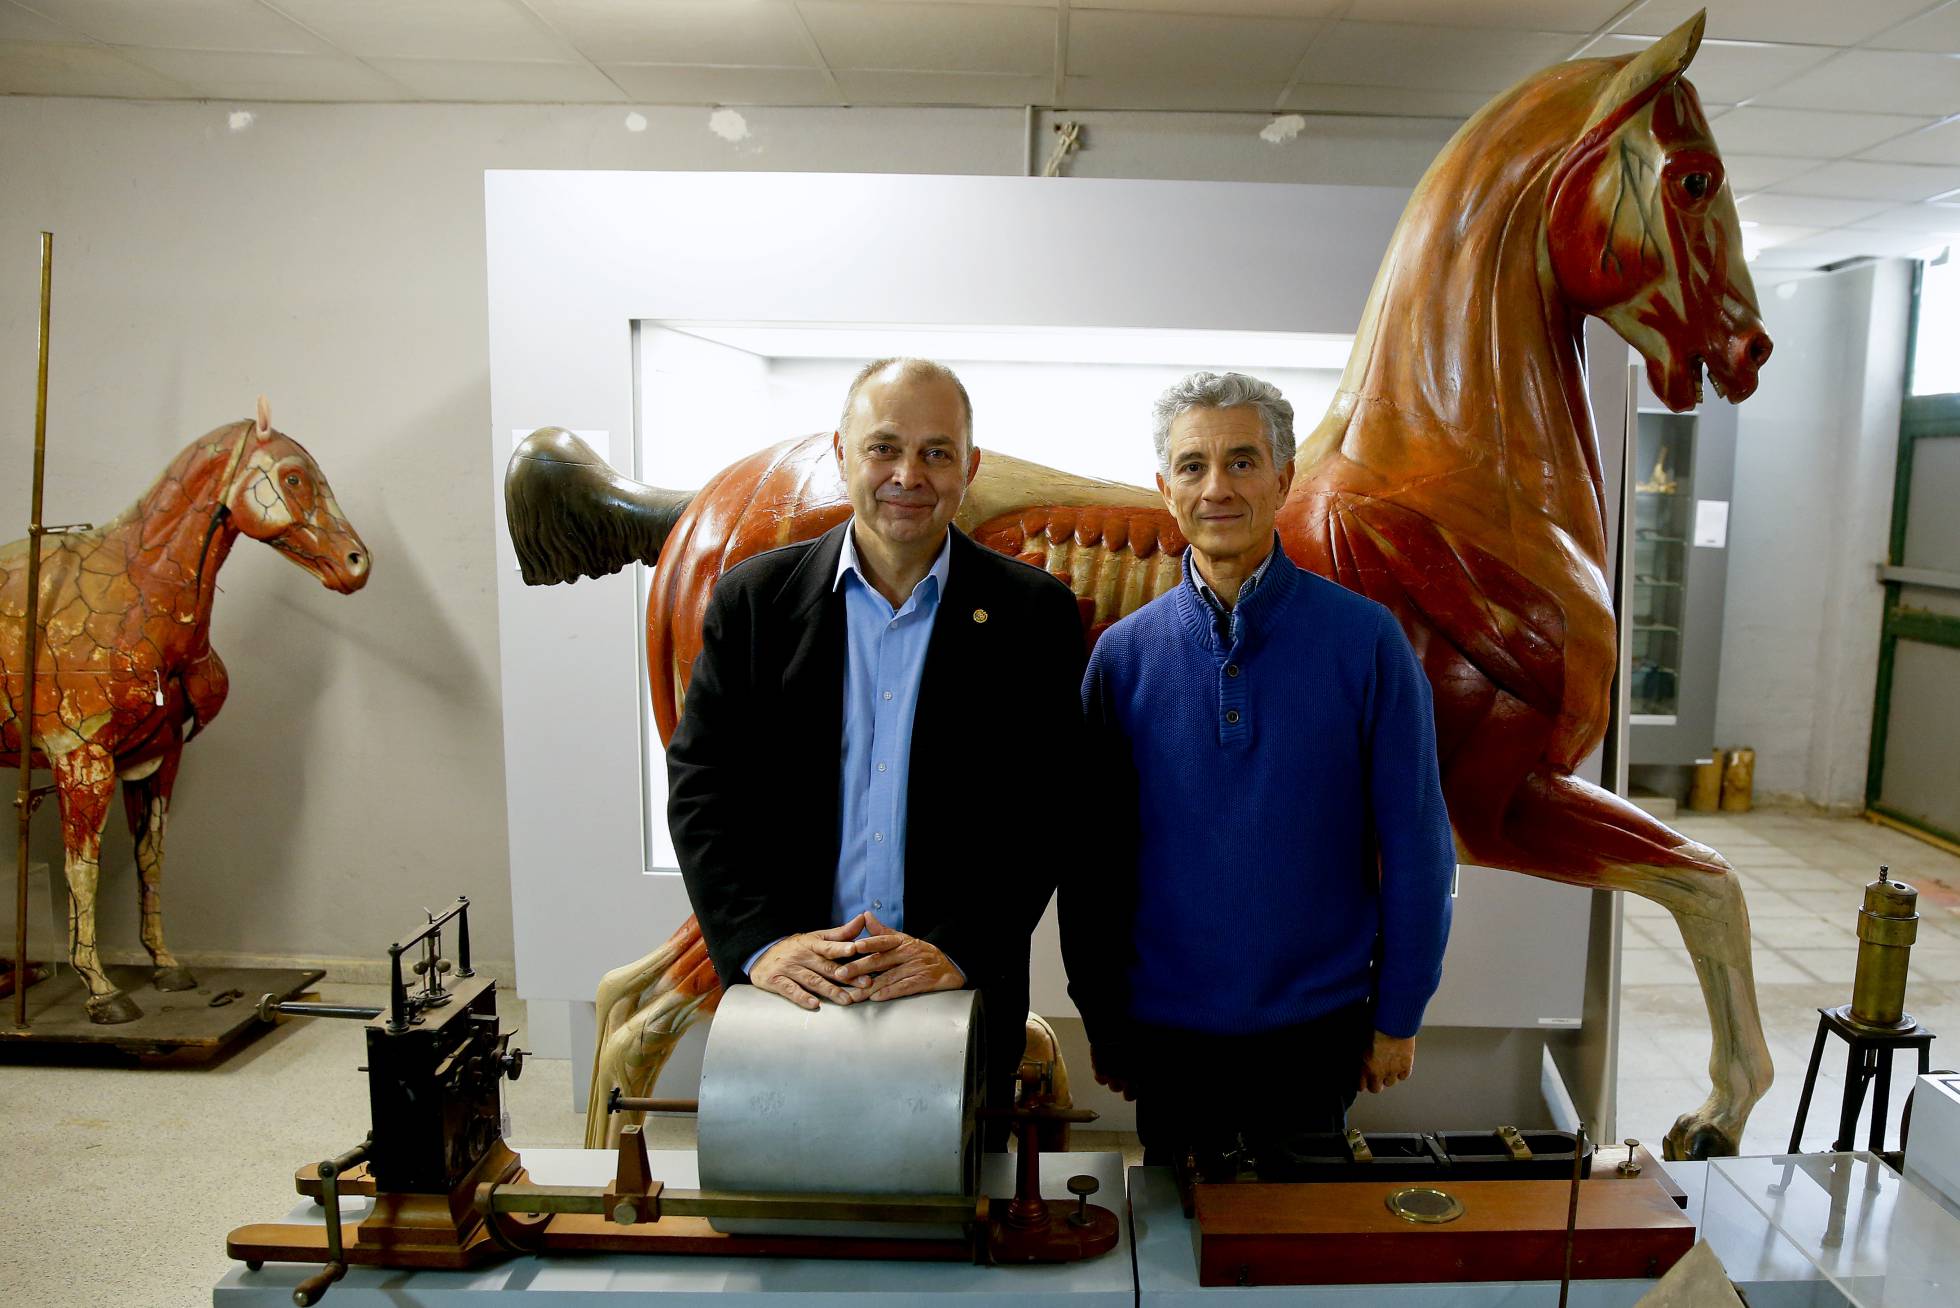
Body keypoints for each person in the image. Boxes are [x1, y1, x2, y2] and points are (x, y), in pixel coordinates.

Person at [668, 357, 1086, 1130]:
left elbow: (1050, 808)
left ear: (971, 467)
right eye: (884, 447)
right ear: (841, 452)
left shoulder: (1036, 615)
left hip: (957, 995)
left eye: (937, 452)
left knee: (962, 1219)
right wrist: (761, 946)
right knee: (790, 1218)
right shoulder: (754, 604)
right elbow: (702, 788)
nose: (908, 474)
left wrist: (960, 949)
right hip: (792, 996)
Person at [1064, 370, 1454, 1175]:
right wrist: (1103, 1018)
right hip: (1166, 1037)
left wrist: (1400, 1012)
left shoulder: (1366, 642)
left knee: (1300, 1268)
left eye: (1243, 462)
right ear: (1164, 486)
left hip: (1318, 1033)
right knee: (1177, 1264)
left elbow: (1416, 843)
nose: (1218, 487)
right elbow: (1092, 863)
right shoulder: (1122, 658)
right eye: (1194, 466)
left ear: (1284, 478)